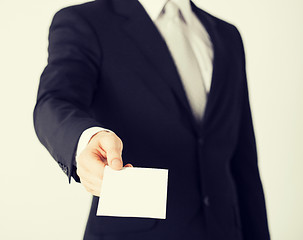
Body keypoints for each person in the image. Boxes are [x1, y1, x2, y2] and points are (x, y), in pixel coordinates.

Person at [33, 0, 271, 239]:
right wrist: (86, 139)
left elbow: (244, 163)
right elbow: (54, 100)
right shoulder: (86, 22)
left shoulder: (227, 36)